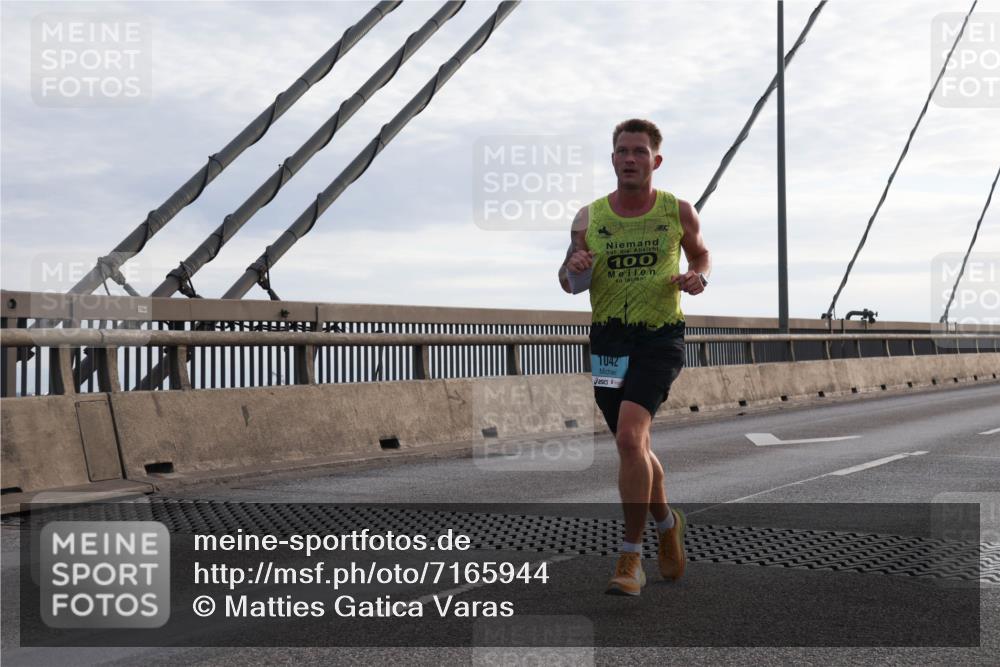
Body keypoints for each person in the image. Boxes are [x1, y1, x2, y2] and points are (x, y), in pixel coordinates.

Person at [558, 118, 710, 596]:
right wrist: (574, 266)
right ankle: (668, 525)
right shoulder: (589, 217)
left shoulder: (677, 211)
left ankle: (630, 557)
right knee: (634, 447)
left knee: (628, 436)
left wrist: (697, 276)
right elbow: (568, 280)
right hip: (608, 342)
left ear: (655, 161)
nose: (630, 158)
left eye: (639, 151)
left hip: (659, 339)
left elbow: (701, 256)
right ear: (612, 160)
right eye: (622, 151)